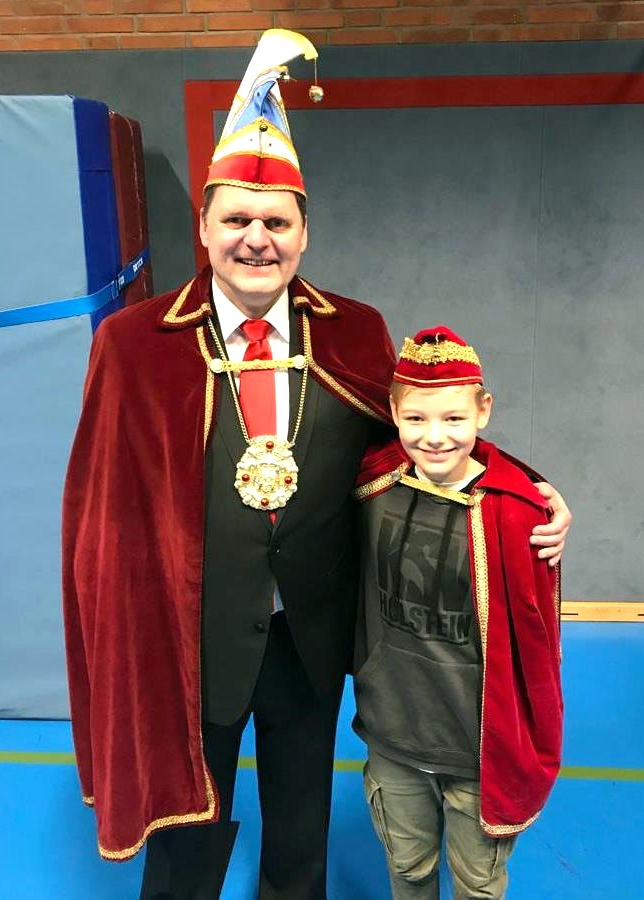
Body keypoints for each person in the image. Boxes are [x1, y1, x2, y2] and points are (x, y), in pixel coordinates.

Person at [62, 30, 570, 900]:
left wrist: (529, 494)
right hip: (189, 633)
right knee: (186, 822)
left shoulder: (354, 331)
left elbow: (420, 438)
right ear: (204, 227)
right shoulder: (134, 345)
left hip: (313, 628)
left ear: (304, 233)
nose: (256, 239)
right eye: (237, 220)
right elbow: (98, 502)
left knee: (301, 814)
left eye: (276, 222)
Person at [352, 325, 564, 900]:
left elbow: (537, 642)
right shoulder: (370, 487)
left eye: (453, 418)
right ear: (393, 412)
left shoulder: (517, 513)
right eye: (416, 418)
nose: (435, 436)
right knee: (408, 869)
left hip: (478, 747)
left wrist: (544, 496)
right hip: (394, 732)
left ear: (483, 411)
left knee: (477, 884)